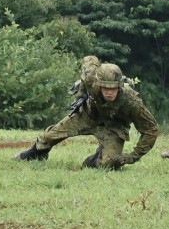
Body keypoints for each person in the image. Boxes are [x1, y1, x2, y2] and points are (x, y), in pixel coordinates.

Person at [14, 62, 158, 169]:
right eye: (105, 88)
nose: (109, 92)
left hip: (114, 128)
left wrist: (133, 156)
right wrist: (81, 93)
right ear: (98, 84)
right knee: (49, 136)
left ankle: (95, 159)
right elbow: (89, 61)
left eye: (113, 88)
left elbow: (151, 130)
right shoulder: (91, 79)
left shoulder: (132, 102)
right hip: (88, 115)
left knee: (109, 164)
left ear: (119, 86)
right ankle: (36, 154)